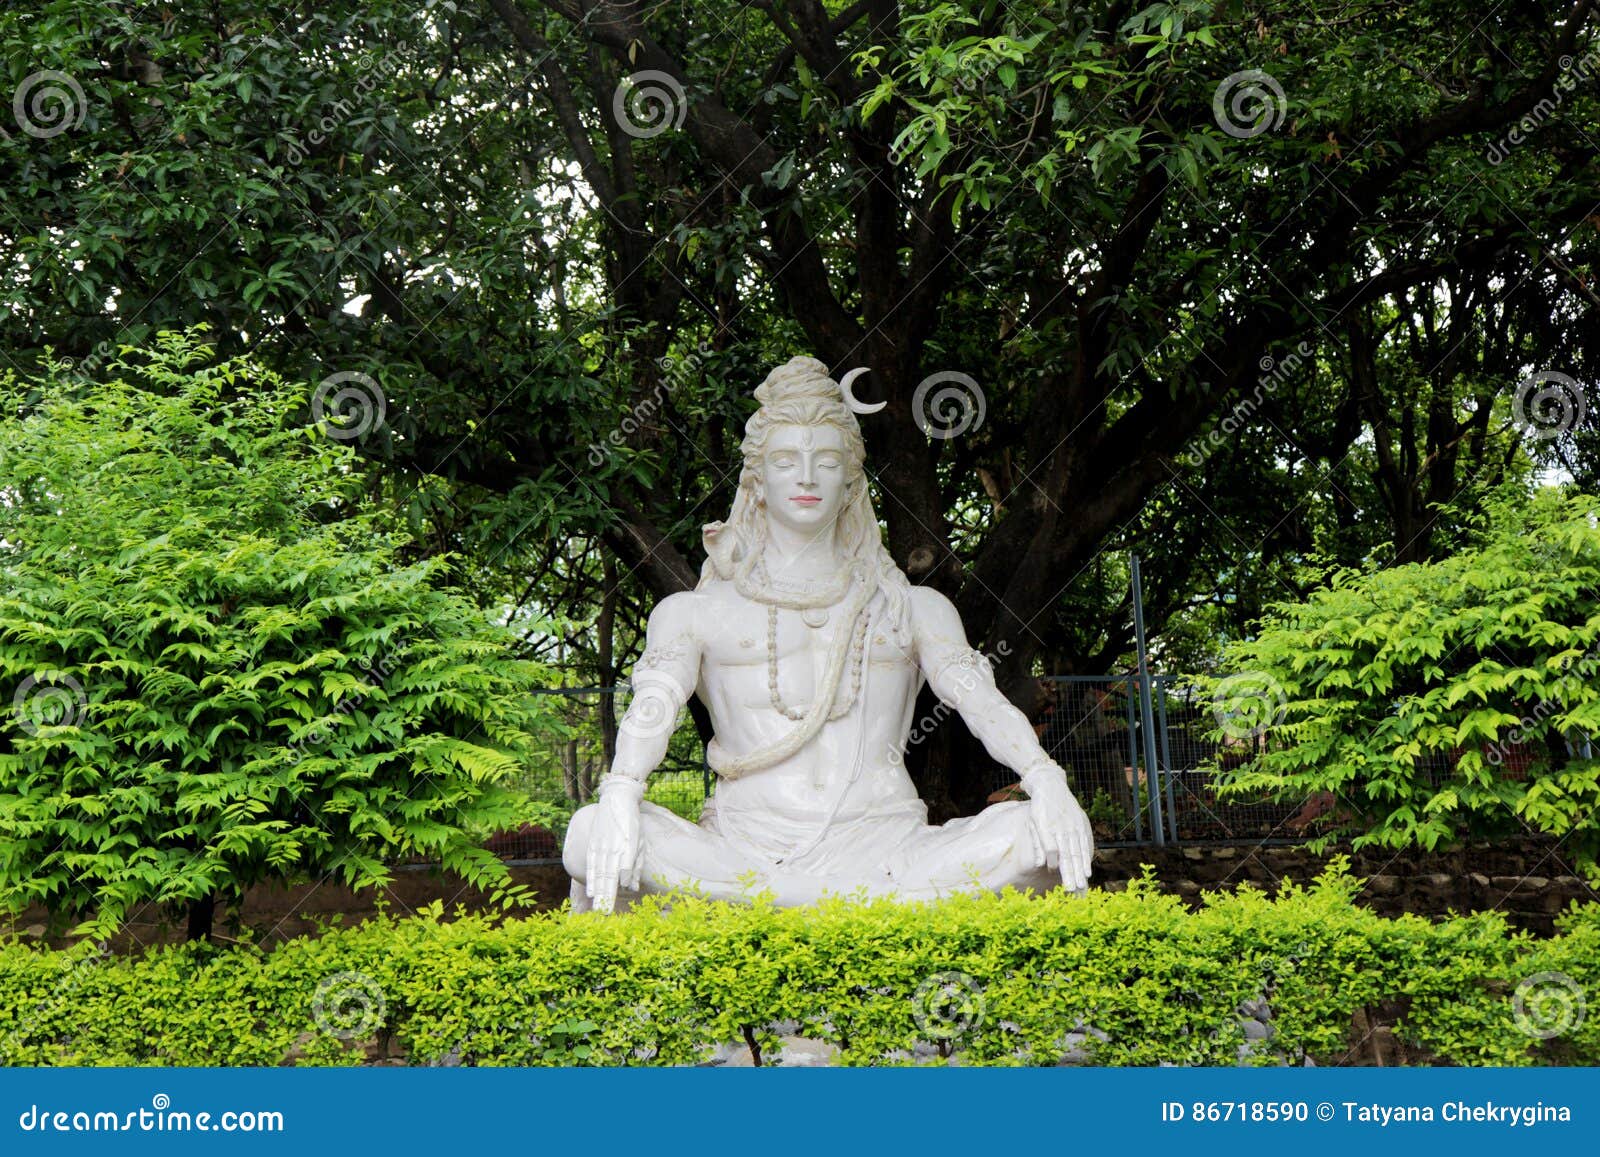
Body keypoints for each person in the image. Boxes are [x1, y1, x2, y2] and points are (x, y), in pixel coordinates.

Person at [563, 356, 1094, 912]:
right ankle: (851, 904)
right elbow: (653, 707)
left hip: (890, 848)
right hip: (744, 853)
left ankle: (788, 904)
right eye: (787, 460)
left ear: (850, 482)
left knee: (1037, 834)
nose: (808, 476)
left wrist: (1046, 780)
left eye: (827, 461)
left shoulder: (912, 608)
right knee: (590, 830)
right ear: (757, 481)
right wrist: (622, 790)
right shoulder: (693, 613)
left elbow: (982, 704)